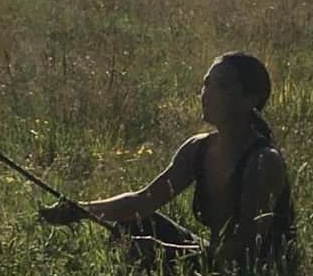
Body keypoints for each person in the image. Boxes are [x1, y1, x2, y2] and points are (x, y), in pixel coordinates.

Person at [39, 52, 297, 274]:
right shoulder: (198, 148)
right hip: (211, 258)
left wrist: (167, 252)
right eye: (206, 84)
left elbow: (245, 250)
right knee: (132, 223)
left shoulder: (263, 162)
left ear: (249, 99)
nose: (206, 94)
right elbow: (142, 202)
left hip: (255, 269)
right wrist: (79, 210)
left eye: (221, 87)